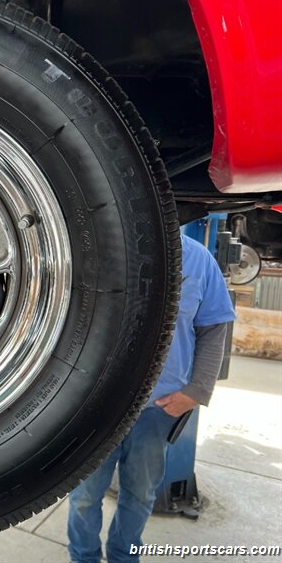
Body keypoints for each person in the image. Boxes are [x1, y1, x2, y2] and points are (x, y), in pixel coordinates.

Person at [67, 234, 236, 563]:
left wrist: (195, 392)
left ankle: (124, 557)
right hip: (98, 407)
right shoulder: (101, 252)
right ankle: (84, 558)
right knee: (85, 494)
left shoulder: (199, 260)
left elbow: (214, 326)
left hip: (157, 409)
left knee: (140, 494)